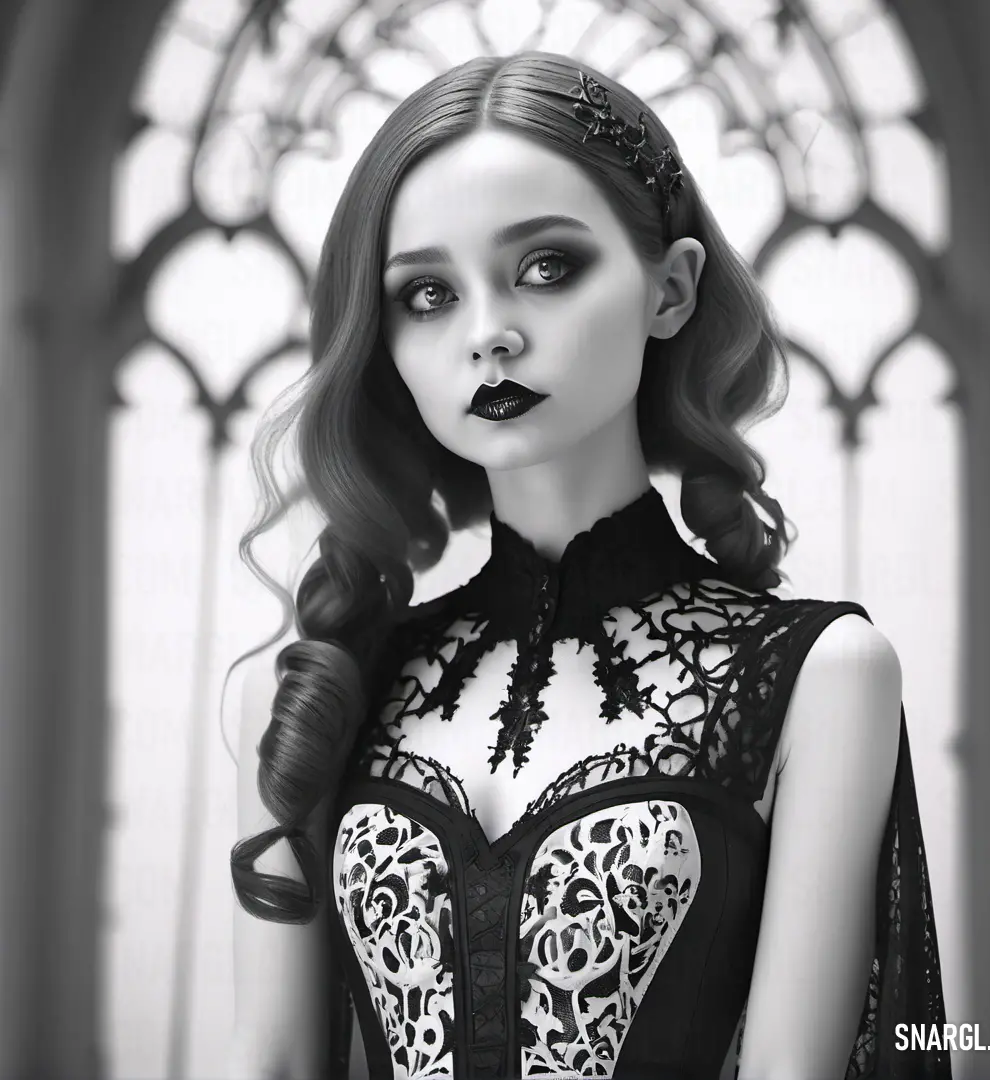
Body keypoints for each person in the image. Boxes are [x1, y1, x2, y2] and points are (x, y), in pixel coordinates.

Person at [228, 51, 950, 1080]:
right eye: (427, 293)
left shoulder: (822, 676)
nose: (489, 335)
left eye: (546, 268)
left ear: (671, 288)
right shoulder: (304, 695)